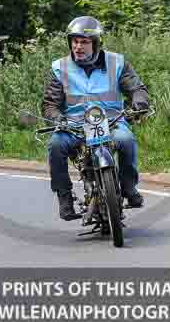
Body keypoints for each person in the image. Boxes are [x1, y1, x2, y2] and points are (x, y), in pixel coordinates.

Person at [41, 16, 150, 221]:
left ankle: (128, 187)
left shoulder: (117, 62)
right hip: (74, 126)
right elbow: (50, 104)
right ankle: (64, 198)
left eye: (84, 42)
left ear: (96, 43)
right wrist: (57, 118)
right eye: (74, 41)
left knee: (127, 141)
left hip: (112, 122)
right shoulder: (60, 67)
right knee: (55, 145)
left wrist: (139, 103)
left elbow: (136, 88)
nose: (78, 46)